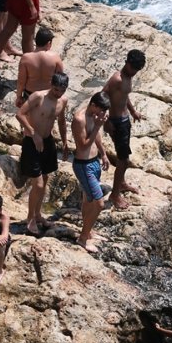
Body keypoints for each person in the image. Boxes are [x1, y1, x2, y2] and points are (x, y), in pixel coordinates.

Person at [16, 72, 70, 235]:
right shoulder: (38, 97)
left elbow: (60, 121)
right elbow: (20, 114)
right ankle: (30, 218)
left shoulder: (63, 100)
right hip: (32, 141)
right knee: (37, 184)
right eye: (55, 90)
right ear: (50, 85)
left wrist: (65, 142)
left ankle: (38, 214)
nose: (58, 93)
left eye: (61, 90)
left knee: (45, 179)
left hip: (47, 141)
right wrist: (34, 133)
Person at [102, 49, 145, 209]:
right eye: (134, 68)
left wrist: (133, 111)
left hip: (125, 121)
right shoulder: (117, 79)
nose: (135, 72)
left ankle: (121, 183)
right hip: (117, 123)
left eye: (137, 70)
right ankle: (114, 195)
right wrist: (106, 121)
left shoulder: (128, 77)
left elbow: (124, 96)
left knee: (124, 158)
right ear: (127, 63)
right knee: (123, 160)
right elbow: (103, 96)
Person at [71, 92, 110, 253]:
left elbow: (96, 137)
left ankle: (88, 231)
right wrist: (98, 125)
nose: (101, 115)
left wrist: (104, 154)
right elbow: (83, 146)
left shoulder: (93, 115)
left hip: (94, 162)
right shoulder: (79, 119)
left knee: (88, 199)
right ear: (93, 104)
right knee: (99, 203)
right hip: (83, 166)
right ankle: (82, 238)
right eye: (100, 110)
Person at [16, 26, 64, 107]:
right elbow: (60, 80)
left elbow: (21, 81)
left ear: (36, 41)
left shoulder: (26, 58)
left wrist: (19, 97)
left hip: (30, 95)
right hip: (48, 95)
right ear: (49, 43)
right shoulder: (55, 58)